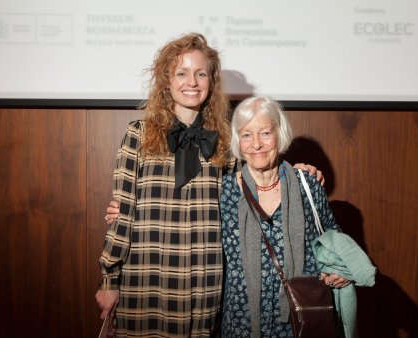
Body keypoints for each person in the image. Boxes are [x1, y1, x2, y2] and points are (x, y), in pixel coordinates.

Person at [96, 33, 323, 337]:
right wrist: (109, 280)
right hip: (147, 278)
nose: (192, 81)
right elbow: (121, 215)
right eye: (182, 73)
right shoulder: (137, 135)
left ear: (211, 81)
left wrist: (296, 174)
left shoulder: (226, 143)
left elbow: (260, 175)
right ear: (166, 79)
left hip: (205, 285)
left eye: (200, 73)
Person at [219, 96, 349, 338]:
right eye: (247, 135)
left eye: (265, 133)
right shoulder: (223, 190)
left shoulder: (307, 184)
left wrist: (341, 268)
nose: (256, 144)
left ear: (280, 134)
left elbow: (332, 234)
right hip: (240, 319)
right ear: (238, 140)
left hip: (299, 317)